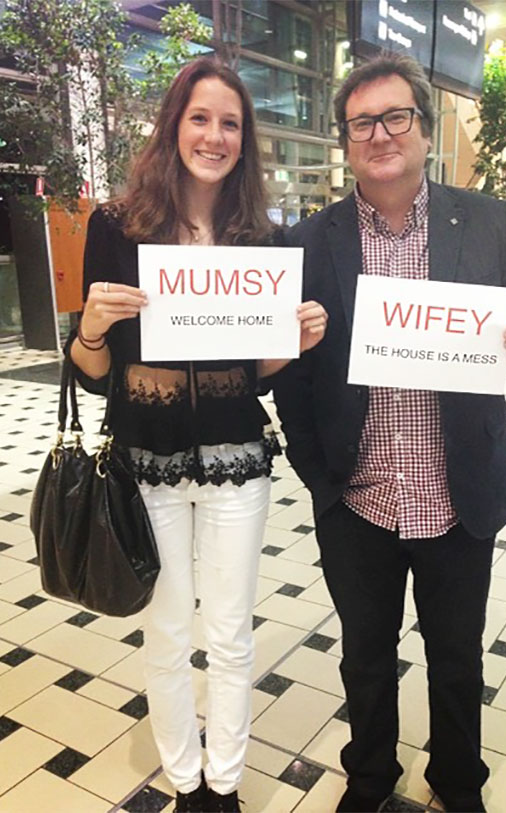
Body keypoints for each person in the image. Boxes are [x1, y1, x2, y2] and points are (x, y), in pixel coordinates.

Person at [272, 55, 506, 813]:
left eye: (395, 117)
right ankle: (370, 775)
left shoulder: (486, 221)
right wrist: (319, 475)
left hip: (457, 494)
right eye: (361, 123)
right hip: (358, 497)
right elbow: (291, 372)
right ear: (345, 140)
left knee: (456, 656)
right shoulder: (306, 243)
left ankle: (456, 779)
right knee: (364, 656)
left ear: (422, 127)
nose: (380, 134)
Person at [70, 57, 327, 813]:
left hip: (235, 461)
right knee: (166, 631)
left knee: (231, 631)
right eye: (201, 119)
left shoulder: (265, 240)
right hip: (142, 462)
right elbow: (93, 374)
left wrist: (293, 344)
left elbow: (260, 376)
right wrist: (90, 327)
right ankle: (186, 782)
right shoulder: (116, 227)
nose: (215, 137)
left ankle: (225, 782)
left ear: (245, 140)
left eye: (230, 124)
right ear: (173, 126)